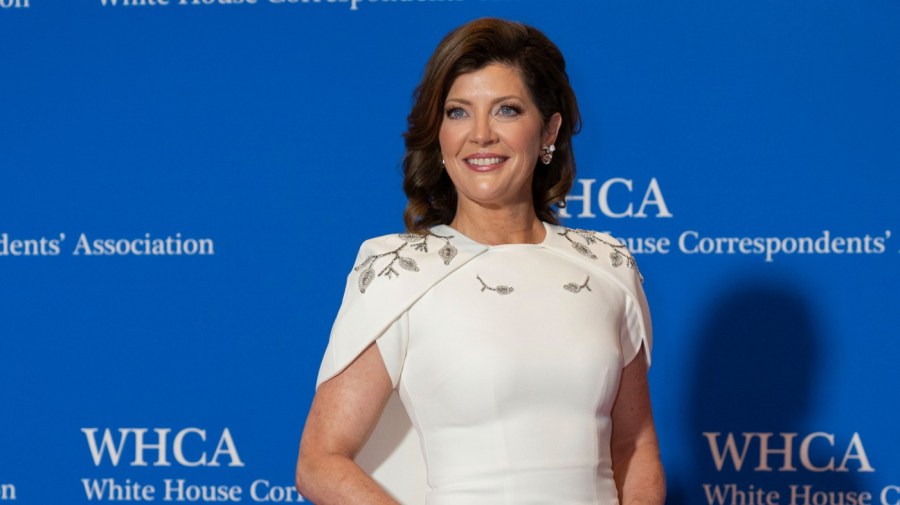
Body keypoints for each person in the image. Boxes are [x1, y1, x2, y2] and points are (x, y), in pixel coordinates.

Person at [295, 17, 665, 505]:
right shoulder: (397, 270)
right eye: (458, 113)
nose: (481, 135)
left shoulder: (608, 264)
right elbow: (321, 461)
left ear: (549, 129)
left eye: (507, 110)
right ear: (439, 133)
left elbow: (633, 446)